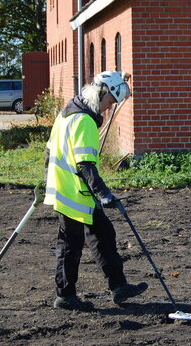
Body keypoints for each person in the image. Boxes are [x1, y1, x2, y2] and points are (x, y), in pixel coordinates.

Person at [44, 71, 147, 311]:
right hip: (74, 193)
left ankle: (119, 287)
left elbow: (49, 152)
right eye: (110, 102)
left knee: (103, 234)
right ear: (101, 94)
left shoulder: (66, 114)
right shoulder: (84, 122)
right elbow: (85, 164)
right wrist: (104, 193)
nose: (108, 109)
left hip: (72, 190)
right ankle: (65, 296)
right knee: (70, 244)